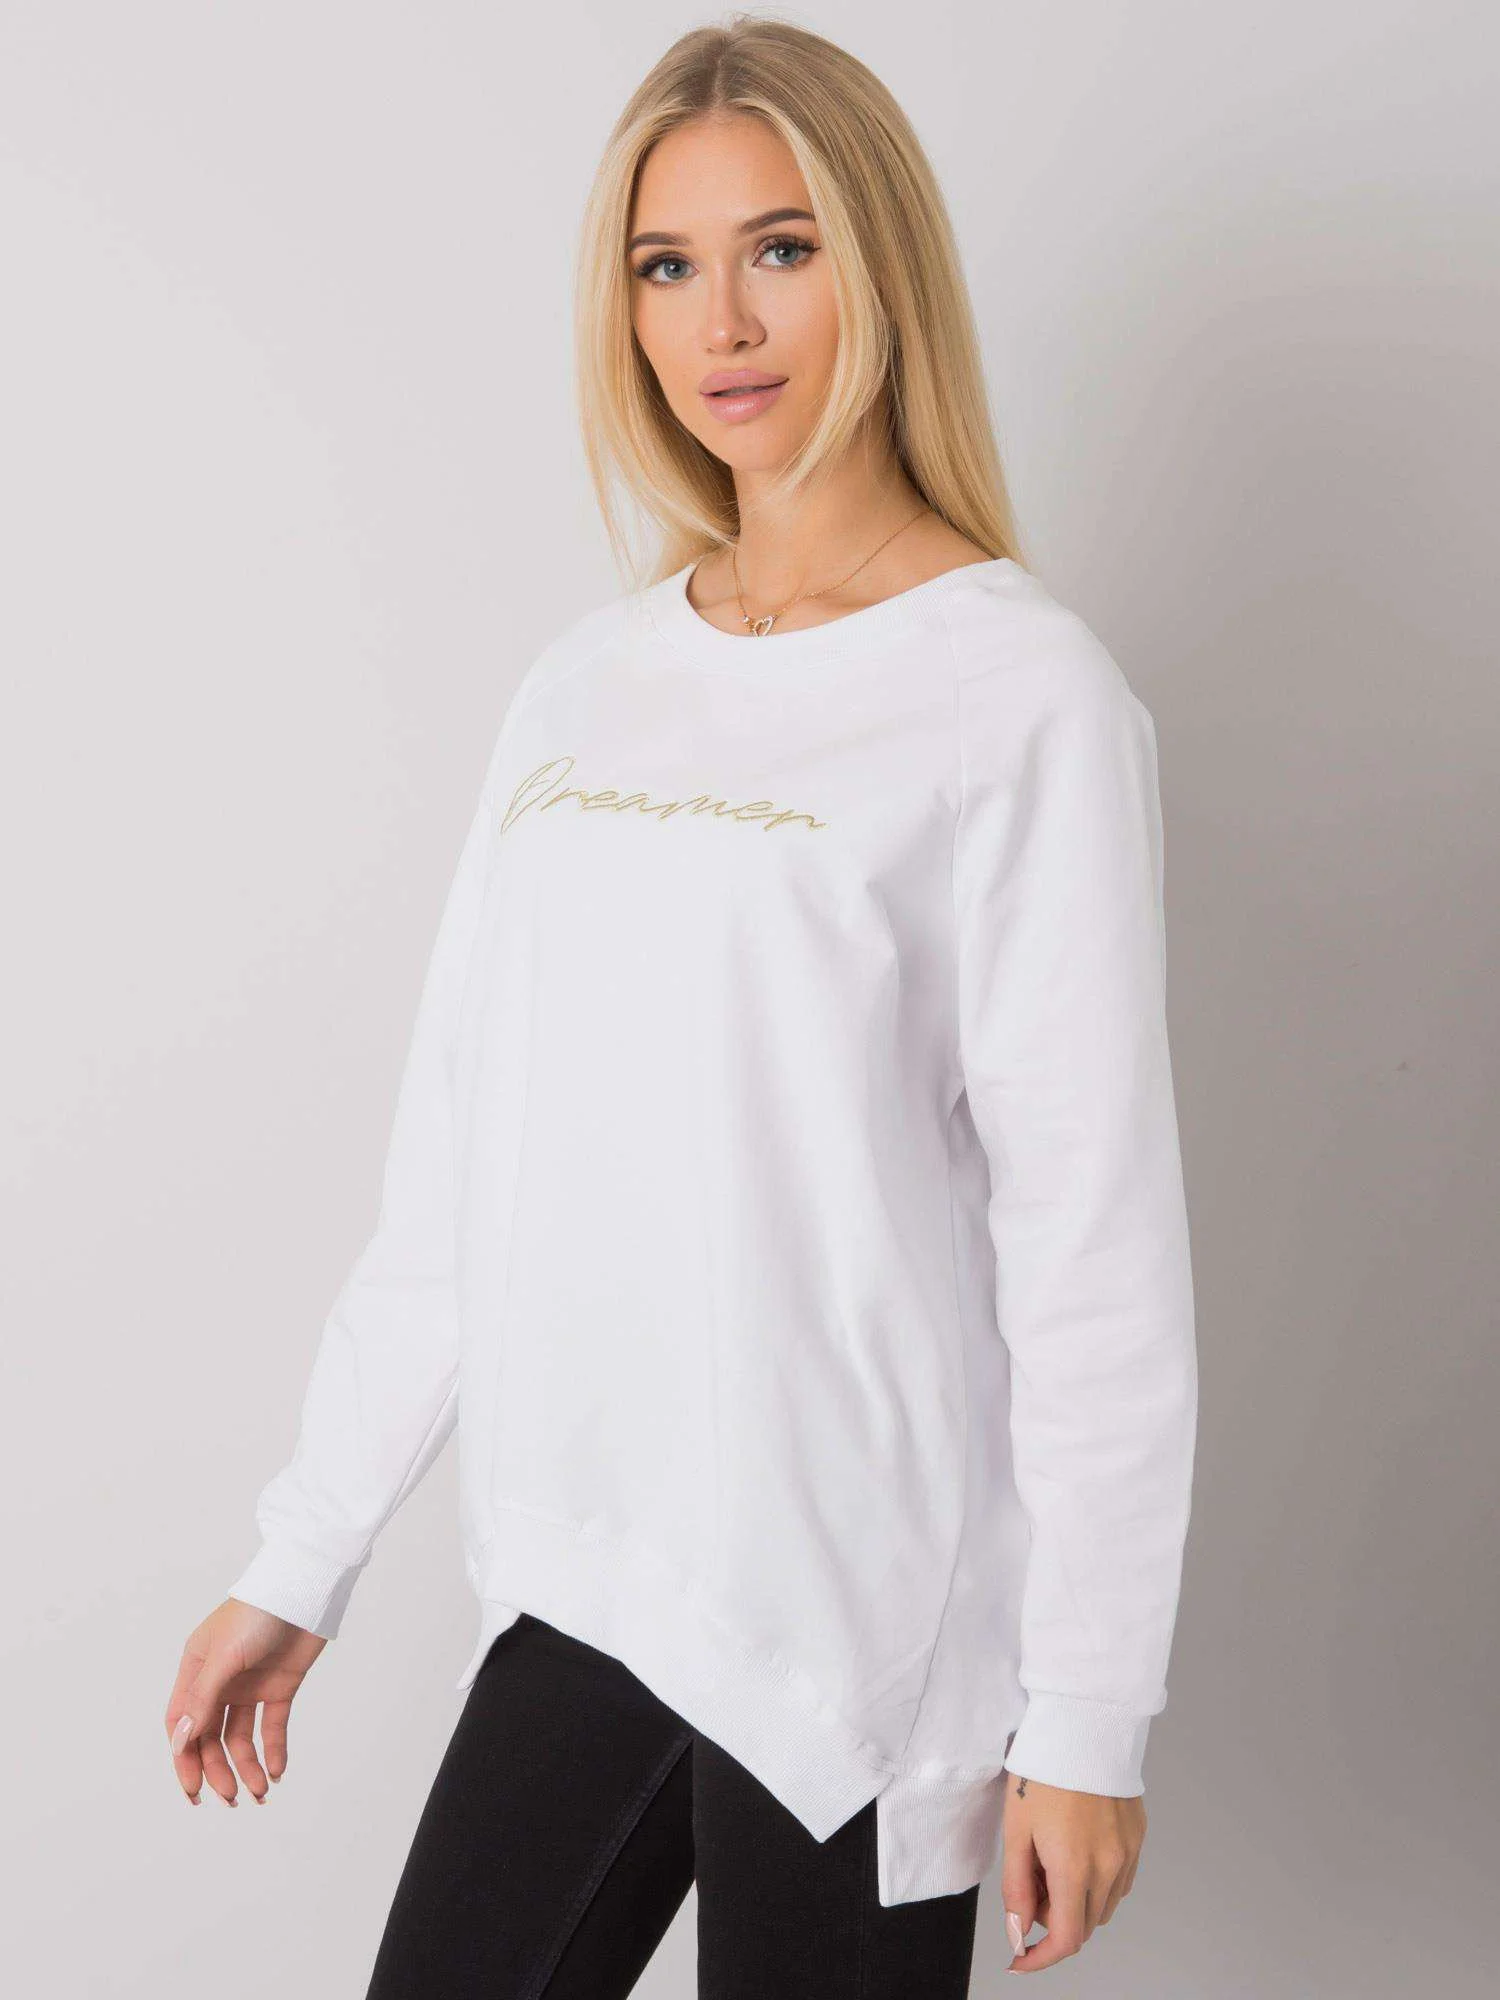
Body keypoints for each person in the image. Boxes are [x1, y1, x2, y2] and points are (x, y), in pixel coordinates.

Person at [164, 16, 1198, 1994]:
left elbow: (1093, 1242)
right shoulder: (587, 687)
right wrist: (304, 1552)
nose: (721, 321)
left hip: (859, 1625)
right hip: (593, 1571)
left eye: (781, 249)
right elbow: (459, 1164)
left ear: (878, 268)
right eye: (666, 264)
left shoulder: (1022, 697)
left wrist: (1088, 1712)